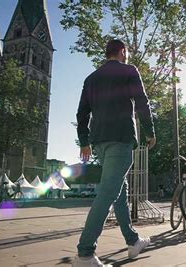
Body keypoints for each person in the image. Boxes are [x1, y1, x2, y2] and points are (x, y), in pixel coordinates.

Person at [73, 39, 156, 267]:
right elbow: (141, 102)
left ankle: (133, 241)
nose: (127, 56)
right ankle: (85, 254)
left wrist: (84, 142)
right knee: (109, 191)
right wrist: (150, 131)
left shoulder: (91, 79)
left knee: (120, 189)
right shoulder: (129, 71)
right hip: (120, 138)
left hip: (99, 141)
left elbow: (82, 113)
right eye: (126, 53)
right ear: (122, 52)